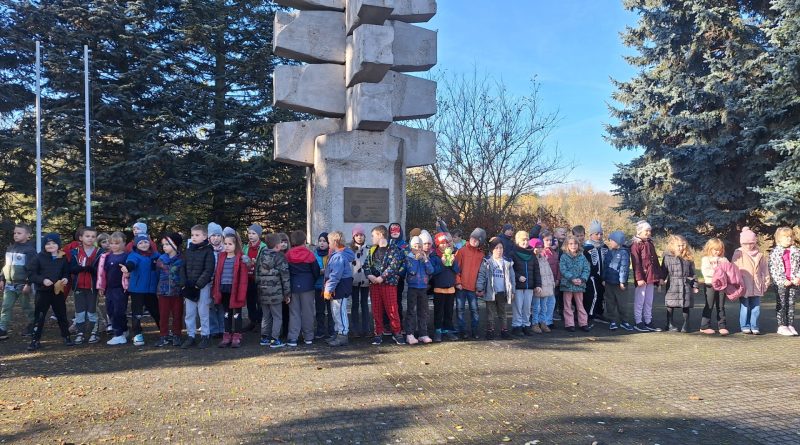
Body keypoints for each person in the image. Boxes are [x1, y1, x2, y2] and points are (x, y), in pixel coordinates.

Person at [26, 233, 73, 351]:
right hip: (43, 292)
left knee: (61, 314)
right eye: (48, 244)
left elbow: (66, 272)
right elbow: (31, 274)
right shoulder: (38, 257)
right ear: (44, 245)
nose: (51, 246)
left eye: (54, 243)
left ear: (58, 245)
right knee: (40, 316)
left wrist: (66, 279)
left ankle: (66, 336)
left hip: (57, 292)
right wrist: (42, 280)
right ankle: (35, 340)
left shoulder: (62, 257)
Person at [364, 225, 406, 345]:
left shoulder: (393, 249)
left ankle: (397, 333)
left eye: (373, 235)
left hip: (388, 284)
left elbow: (394, 265)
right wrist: (370, 276)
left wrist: (382, 277)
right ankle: (378, 333)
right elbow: (366, 265)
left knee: (392, 309)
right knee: (376, 309)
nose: (371, 238)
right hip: (374, 285)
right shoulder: (372, 250)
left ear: (380, 235)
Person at [179, 224, 216, 349]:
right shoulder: (188, 250)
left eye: (197, 235)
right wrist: (184, 283)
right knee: (189, 313)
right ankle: (191, 336)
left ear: (205, 236)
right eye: (192, 235)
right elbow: (182, 267)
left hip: (202, 287)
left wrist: (198, 284)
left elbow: (208, 270)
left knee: (203, 312)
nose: (194, 237)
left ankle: (205, 335)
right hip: (189, 286)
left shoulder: (208, 251)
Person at [0, 224, 37, 340]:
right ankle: (2, 329)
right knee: (6, 306)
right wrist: (2, 278)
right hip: (9, 284)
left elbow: (32, 269)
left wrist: (28, 284)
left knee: (26, 306)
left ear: (28, 235)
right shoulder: (10, 248)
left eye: (19, 233)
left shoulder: (30, 250)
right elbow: (6, 265)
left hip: (22, 284)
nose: (16, 235)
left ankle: (33, 325)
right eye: (15, 233)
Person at [123, 234, 161, 346]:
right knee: (137, 313)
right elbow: (131, 263)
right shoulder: (134, 255)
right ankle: (137, 333)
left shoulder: (155, 255)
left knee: (156, 311)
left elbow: (164, 262)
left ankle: (163, 331)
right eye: (140, 243)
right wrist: (127, 267)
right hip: (137, 289)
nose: (144, 245)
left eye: (145, 242)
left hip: (152, 289)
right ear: (136, 245)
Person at [68, 226, 103, 344]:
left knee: (92, 311)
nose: (90, 238)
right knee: (80, 311)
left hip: (92, 287)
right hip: (78, 286)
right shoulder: (75, 252)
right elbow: (70, 269)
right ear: (81, 237)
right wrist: (77, 269)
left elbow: (102, 270)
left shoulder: (100, 252)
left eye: (93, 236)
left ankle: (94, 332)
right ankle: (80, 333)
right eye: (87, 236)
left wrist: (92, 270)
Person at [212, 232, 248, 348]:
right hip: (224, 289)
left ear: (236, 244)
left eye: (230, 244)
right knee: (226, 314)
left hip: (235, 290)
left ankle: (237, 336)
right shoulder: (221, 256)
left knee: (237, 314)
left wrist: (241, 293)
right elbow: (218, 275)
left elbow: (243, 278)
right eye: (225, 243)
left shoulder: (240, 258)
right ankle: (226, 335)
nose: (227, 246)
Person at [732, 227, 769, 335]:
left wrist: (766, 283)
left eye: (751, 243)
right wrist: (736, 284)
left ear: (755, 242)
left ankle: (755, 326)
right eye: (746, 243)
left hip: (757, 285)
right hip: (744, 285)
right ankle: (745, 326)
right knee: (745, 307)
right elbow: (733, 269)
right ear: (742, 243)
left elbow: (765, 270)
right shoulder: (738, 253)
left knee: (756, 308)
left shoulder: (760, 254)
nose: (749, 245)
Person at [476, 237, 516, 339]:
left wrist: (513, 291)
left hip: (502, 292)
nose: (499, 250)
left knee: (503, 312)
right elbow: (481, 275)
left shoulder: (507, 262)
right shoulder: (487, 262)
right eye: (496, 248)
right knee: (490, 313)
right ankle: (490, 330)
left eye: (501, 248)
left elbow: (512, 277)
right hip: (491, 291)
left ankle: (504, 330)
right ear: (492, 250)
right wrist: (479, 288)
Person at [256, 233, 291, 348]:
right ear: (277, 246)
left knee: (266, 316)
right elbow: (285, 277)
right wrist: (287, 294)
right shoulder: (280, 257)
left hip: (262, 291)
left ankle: (264, 337)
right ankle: (275, 339)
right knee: (277, 316)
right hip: (276, 292)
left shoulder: (261, 254)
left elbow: (257, 272)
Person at [286, 230, 320, 346]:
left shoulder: (288, 254)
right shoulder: (309, 254)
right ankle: (308, 337)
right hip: (308, 286)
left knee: (294, 313)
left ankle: (293, 337)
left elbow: (286, 271)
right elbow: (315, 270)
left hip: (293, 286)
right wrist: (312, 281)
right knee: (308, 312)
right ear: (304, 241)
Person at [323, 231, 355, 347]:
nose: (328, 243)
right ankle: (338, 333)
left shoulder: (339, 257)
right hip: (338, 288)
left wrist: (328, 289)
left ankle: (342, 335)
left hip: (339, 288)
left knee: (340, 312)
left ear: (335, 242)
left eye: (329, 241)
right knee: (335, 311)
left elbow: (335, 275)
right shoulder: (338, 254)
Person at [97, 232, 130, 346]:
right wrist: (101, 286)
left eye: (117, 243)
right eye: (111, 243)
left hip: (120, 288)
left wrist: (127, 273)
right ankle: (124, 329)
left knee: (118, 311)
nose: (114, 246)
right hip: (109, 288)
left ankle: (118, 334)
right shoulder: (106, 256)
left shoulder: (126, 256)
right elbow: (101, 272)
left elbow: (130, 270)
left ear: (123, 243)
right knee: (110, 310)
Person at [661, 235, 698, 333]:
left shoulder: (688, 257)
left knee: (686, 304)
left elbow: (693, 273)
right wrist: (661, 279)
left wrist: (695, 285)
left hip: (685, 283)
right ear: (672, 245)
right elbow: (663, 270)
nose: (681, 248)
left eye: (683, 245)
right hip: (672, 283)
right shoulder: (667, 257)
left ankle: (686, 323)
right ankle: (669, 323)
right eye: (679, 246)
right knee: (670, 303)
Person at [630, 220, 662, 332]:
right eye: (646, 230)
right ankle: (638, 321)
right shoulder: (636, 245)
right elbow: (636, 263)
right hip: (642, 278)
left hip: (651, 277)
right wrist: (639, 278)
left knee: (649, 300)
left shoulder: (650, 243)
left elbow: (655, 261)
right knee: (640, 300)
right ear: (640, 231)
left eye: (650, 230)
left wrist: (659, 276)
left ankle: (648, 320)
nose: (648, 233)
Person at [454, 228, 486, 339]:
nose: (474, 240)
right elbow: (456, 268)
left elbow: (482, 273)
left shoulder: (481, 255)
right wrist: (457, 282)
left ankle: (475, 331)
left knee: (475, 310)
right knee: (460, 310)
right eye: (473, 238)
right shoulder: (462, 251)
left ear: (480, 242)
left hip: (473, 288)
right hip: (461, 287)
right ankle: (462, 331)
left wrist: (480, 288)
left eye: (477, 239)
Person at [768, 226, 800, 336]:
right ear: (779, 239)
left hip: (793, 281)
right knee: (781, 303)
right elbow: (773, 269)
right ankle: (781, 325)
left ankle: (790, 324)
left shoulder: (796, 251)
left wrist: (797, 277)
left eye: (790, 236)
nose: (789, 239)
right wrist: (782, 280)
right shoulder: (775, 252)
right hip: (781, 283)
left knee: (791, 304)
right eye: (786, 237)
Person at [155, 233, 184, 347]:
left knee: (177, 314)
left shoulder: (182, 259)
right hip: (163, 292)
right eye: (163, 244)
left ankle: (177, 335)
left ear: (175, 245)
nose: (165, 247)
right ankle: (163, 335)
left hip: (177, 292)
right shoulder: (160, 259)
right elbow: (157, 275)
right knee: (163, 315)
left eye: (167, 244)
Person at [404, 236, 434, 344]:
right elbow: (412, 271)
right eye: (415, 247)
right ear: (411, 248)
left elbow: (431, 271)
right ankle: (410, 334)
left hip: (423, 288)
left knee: (423, 311)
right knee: (411, 311)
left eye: (420, 247)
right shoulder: (409, 259)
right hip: (413, 287)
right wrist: (416, 260)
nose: (418, 249)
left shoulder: (425, 259)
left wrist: (425, 260)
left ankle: (423, 333)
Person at [511, 231, 541, 336]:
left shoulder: (532, 254)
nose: (525, 242)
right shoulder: (513, 253)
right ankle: (517, 326)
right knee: (518, 307)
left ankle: (526, 325)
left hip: (529, 286)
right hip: (518, 286)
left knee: (527, 308)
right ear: (518, 241)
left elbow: (536, 270)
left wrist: (538, 285)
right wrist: (518, 276)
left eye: (527, 240)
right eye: (523, 240)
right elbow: (510, 270)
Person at [430, 232, 459, 342]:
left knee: (449, 312)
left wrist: (451, 263)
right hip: (439, 289)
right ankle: (438, 331)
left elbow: (457, 270)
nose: (444, 245)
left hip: (450, 289)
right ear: (437, 244)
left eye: (446, 243)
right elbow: (433, 272)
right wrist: (442, 263)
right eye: (442, 243)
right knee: (439, 311)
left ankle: (448, 330)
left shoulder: (452, 255)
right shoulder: (435, 256)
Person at [559, 235, 591, 332]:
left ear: (578, 245)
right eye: (571, 244)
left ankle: (583, 323)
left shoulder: (582, 256)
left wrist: (582, 279)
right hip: (567, 285)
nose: (573, 246)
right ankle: (569, 324)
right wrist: (572, 278)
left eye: (575, 244)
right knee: (567, 305)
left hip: (579, 285)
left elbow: (587, 268)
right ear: (567, 245)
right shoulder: (564, 257)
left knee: (580, 304)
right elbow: (563, 269)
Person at [602, 231, 633, 331]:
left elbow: (624, 268)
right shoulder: (609, 252)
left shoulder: (624, 253)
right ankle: (612, 321)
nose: (610, 242)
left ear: (617, 241)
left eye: (611, 240)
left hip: (620, 284)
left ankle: (624, 321)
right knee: (610, 302)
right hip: (609, 282)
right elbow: (605, 266)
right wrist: (603, 278)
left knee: (622, 303)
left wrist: (622, 281)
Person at [699, 238, 730, 335]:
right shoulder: (706, 259)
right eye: (715, 249)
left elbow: (729, 271)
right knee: (709, 305)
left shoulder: (724, 259)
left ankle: (722, 326)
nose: (717, 252)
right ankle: (704, 326)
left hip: (722, 286)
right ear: (709, 248)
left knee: (721, 306)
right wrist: (719, 273)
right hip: (710, 285)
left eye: (719, 250)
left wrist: (723, 274)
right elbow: (706, 272)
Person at [582, 220, 609, 324]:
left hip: (603, 276)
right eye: (596, 234)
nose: (599, 236)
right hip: (591, 276)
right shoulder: (586, 248)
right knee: (593, 294)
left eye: (601, 234)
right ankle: (590, 314)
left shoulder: (605, 247)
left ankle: (599, 313)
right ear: (591, 235)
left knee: (601, 294)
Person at [349, 224, 371, 338]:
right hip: (353, 281)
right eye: (357, 235)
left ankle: (366, 328)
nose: (359, 237)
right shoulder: (350, 250)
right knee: (355, 304)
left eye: (361, 235)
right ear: (353, 237)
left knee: (365, 304)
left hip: (365, 281)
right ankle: (355, 329)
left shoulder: (369, 249)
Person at [242, 224, 266, 333]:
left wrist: (257, 263)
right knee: (250, 301)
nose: (250, 236)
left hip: (259, 278)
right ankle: (252, 321)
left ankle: (260, 322)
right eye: (249, 233)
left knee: (259, 301)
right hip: (248, 278)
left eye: (253, 233)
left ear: (259, 235)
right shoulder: (246, 247)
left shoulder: (263, 247)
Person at [537, 229, 561, 328]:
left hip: (553, 281)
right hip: (544, 282)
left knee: (552, 302)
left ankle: (548, 321)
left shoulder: (554, 252)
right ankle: (541, 321)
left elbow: (558, 267)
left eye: (551, 240)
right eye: (547, 240)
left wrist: (558, 279)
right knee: (543, 303)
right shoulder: (541, 253)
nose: (549, 242)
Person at [207, 222, 226, 340]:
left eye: (218, 235)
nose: (216, 238)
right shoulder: (206, 250)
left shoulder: (226, 249)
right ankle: (213, 329)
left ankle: (223, 328)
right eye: (213, 236)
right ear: (209, 237)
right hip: (209, 282)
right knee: (210, 306)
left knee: (221, 306)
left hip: (222, 282)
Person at [530, 239, 554, 333]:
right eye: (537, 247)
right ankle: (535, 323)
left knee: (544, 306)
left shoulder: (544, 258)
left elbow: (549, 272)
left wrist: (552, 282)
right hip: (538, 286)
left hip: (546, 286)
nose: (539, 249)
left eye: (540, 247)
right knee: (536, 307)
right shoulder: (532, 259)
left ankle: (543, 322)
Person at [388, 222, 408, 327]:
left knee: (397, 300)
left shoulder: (404, 245)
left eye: (397, 230)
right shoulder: (386, 243)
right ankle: (387, 324)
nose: (395, 232)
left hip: (399, 278)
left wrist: (399, 273)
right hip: (386, 278)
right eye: (392, 230)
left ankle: (399, 324)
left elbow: (406, 261)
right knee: (387, 302)